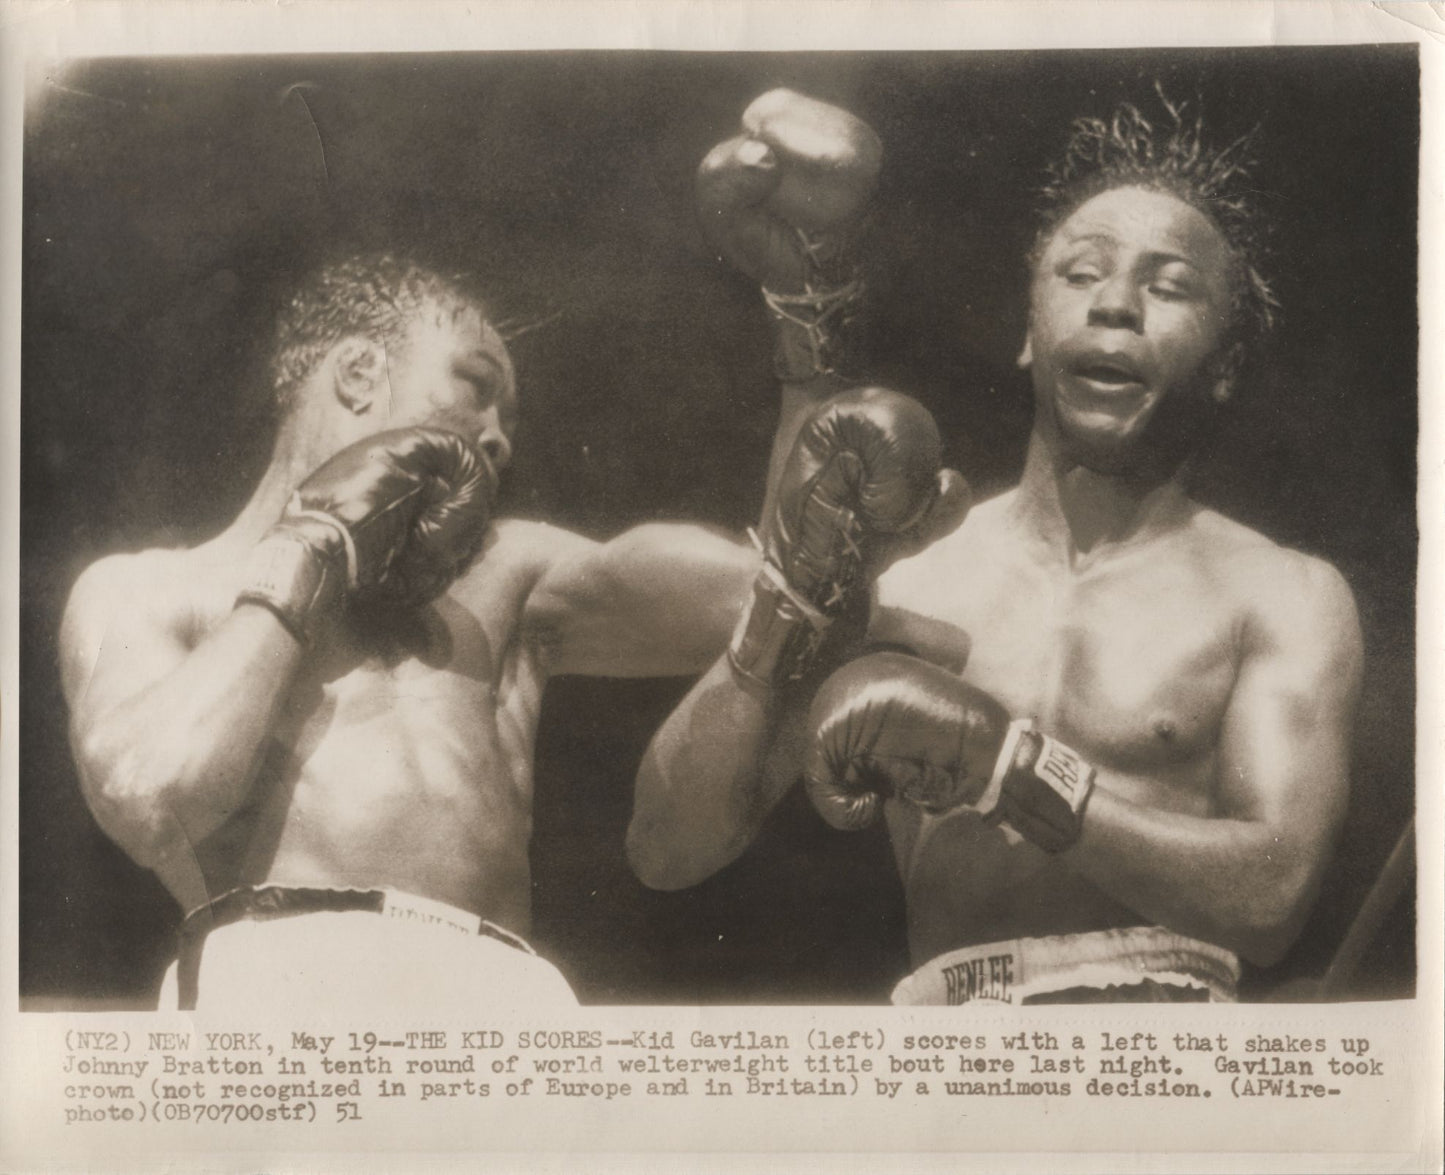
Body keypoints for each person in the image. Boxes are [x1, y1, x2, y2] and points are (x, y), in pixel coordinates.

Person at [56, 89, 950, 1013]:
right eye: (475, 388)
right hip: (276, 987)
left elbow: (783, 589)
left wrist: (811, 304)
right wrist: (311, 546)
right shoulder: (147, 589)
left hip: (498, 1000)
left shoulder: (506, 572)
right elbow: (150, 794)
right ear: (359, 375)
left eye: (509, 421)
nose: (496, 441)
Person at [628, 94, 1363, 1005]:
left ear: (1222, 365)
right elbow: (666, 850)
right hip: (952, 1056)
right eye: (1081, 273)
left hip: (1167, 1062)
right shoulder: (912, 576)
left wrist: (1009, 768)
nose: (1116, 304)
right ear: (1026, 332)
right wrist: (783, 611)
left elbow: (1271, 893)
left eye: (1167, 287)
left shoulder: (1279, 591)